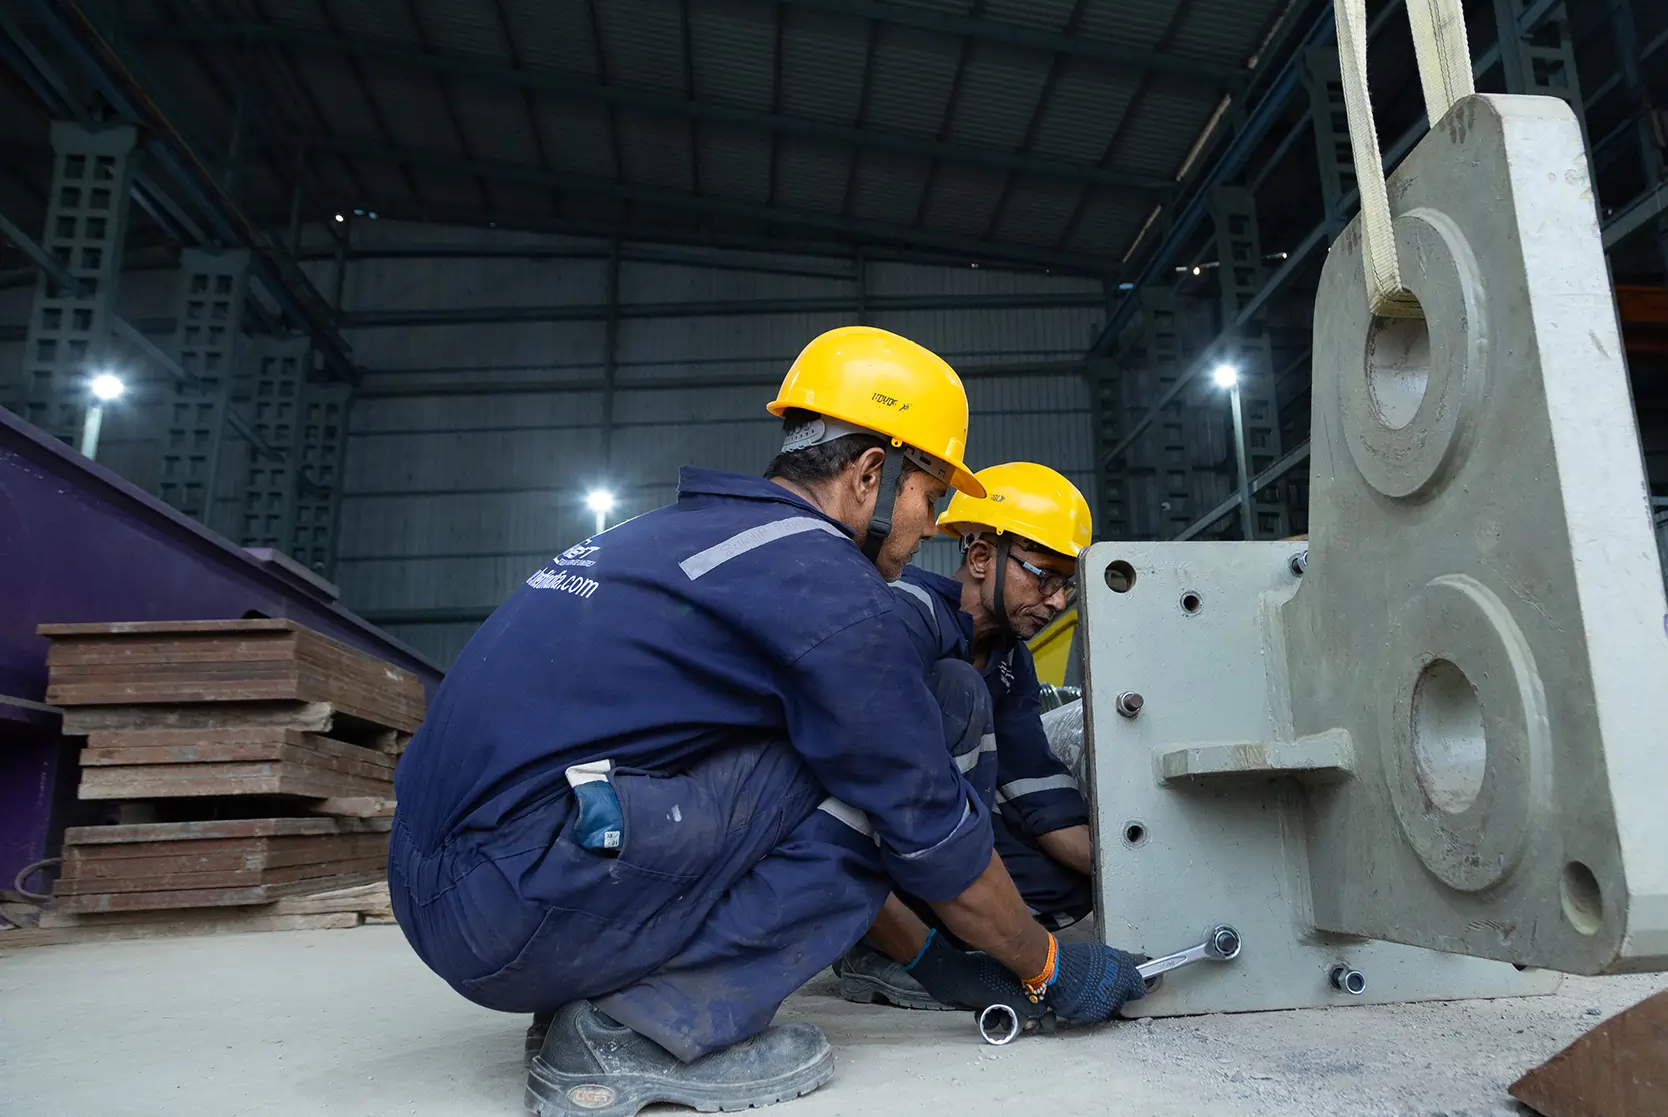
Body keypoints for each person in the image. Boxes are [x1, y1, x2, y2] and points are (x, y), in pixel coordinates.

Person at [386, 327, 1144, 1117]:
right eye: (930, 499)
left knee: (847, 731)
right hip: (511, 907)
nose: (928, 528)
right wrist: (1048, 963)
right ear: (870, 474)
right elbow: (926, 826)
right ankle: (642, 1029)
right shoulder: (829, 589)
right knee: (919, 723)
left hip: (436, 884)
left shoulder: (673, 533)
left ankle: (600, 986)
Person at [837, 462, 1096, 1010]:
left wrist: (1133, 867)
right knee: (959, 686)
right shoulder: (901, 614)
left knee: (1071, 886)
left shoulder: (1011, 660)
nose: (1057, 602)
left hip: (941, 844)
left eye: (1066, 586)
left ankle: (949, 929)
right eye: (1044, 578)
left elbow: (1035, 783)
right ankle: (875, 945)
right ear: (980, 558)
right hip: (872, 840)